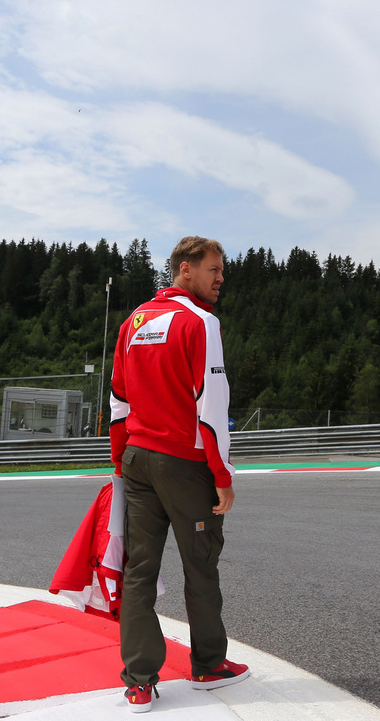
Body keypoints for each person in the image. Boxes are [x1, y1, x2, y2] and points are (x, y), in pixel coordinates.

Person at [109, 236, 249, 713]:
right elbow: (212, 407)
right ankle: (209, 665)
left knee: (139, 570)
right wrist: (223, 474)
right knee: (200, 564)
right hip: (183, 464)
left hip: (137, 459)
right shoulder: (202, 322)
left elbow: (118, 401)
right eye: (214, 269)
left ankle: (139, 681)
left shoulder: (134, 322)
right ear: (185, 270)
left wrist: (119, 465)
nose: (220, 278)